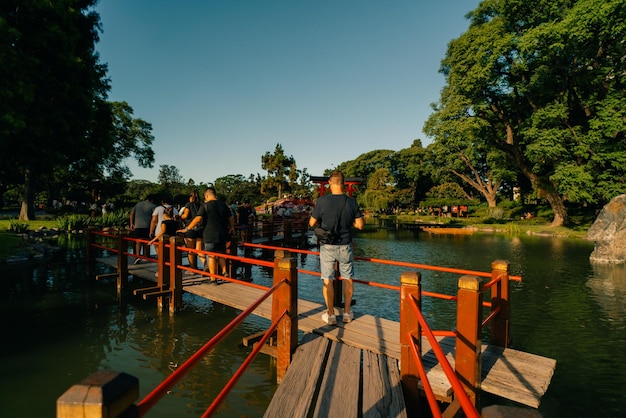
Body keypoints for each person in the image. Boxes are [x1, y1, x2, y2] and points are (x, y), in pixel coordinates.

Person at [309, 170, 364, 325]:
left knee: (328, 280)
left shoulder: (322, 201)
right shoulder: (351, 202)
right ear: (344, 184)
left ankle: (331, 314)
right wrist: (349, 222)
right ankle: (347, 313)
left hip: (327, 246)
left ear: (330, 184)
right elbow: (360, 225)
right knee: (348, 279)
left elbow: (311, 223)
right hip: (345, 246)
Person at [180, 187, 235, 283]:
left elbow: (197, 219)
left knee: (211, 256)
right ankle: (224, 271)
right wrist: (231, 227)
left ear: (206, 195)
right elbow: (230, 218)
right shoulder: (224, 205)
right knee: (221, 253)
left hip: (210, 234)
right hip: (223, 233)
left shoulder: (205, 206)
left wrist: (187, 228)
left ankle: (213, 278)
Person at [179, 190, 204, 272]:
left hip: (190, 228)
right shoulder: (201, 205)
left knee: (190, 250)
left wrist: (180, 216)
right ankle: (205, 264)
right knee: (199, 250)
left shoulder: (188, 205)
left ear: (190, 197)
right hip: (200, 228)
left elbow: (185, 215)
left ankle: (192, 268)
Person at [129, 194, 156, 263]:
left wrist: (132, 223)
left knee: (138, 241)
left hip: (137, 225)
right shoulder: (153, 206)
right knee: (146, 241)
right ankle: (146, 256)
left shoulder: (138, 204)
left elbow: (131, 214)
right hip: (147, 225)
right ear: (152, 200)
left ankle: (137, 256)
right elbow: (154, 217)